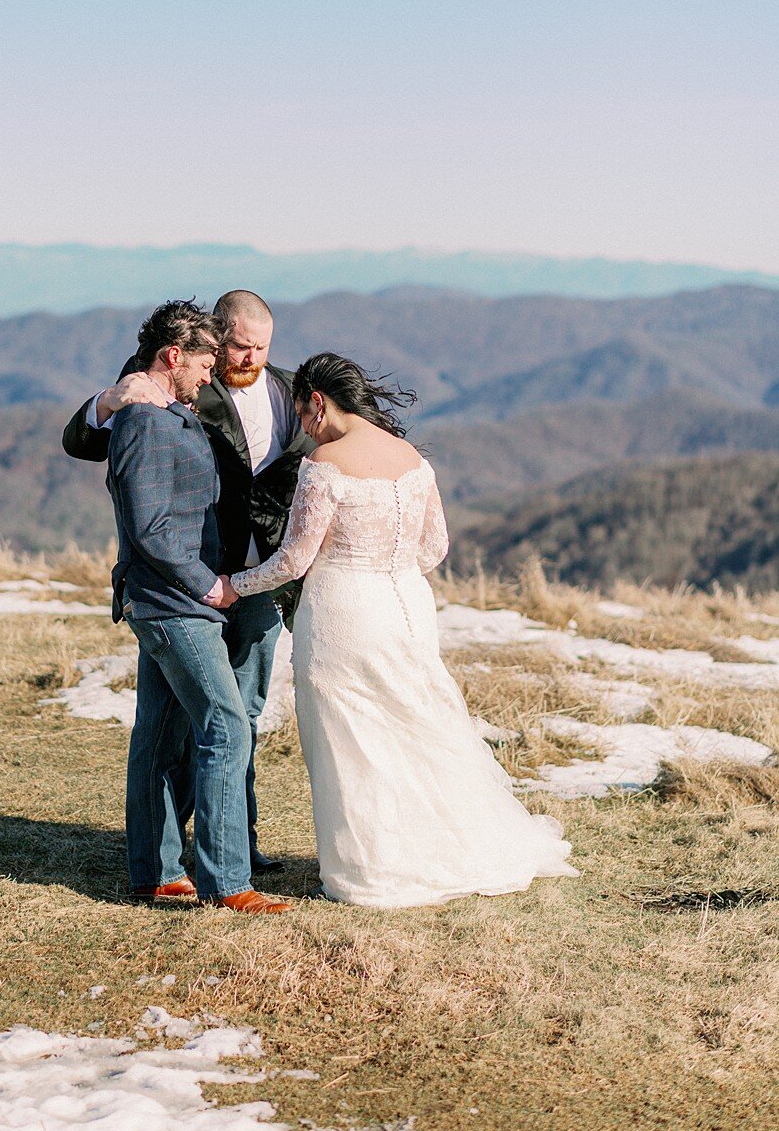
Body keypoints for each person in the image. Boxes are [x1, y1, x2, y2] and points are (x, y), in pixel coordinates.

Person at [230, 352, 578, 908]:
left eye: (301, 416)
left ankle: (369, 865)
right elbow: (434, 549)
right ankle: (447, 846)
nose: (302, 428)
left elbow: (294, 561)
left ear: (316, 402)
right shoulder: (411, 458)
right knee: (417, 723)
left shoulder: (324, 464)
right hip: (408, 608)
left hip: (344, 609)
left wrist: (234, 585)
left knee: (354, 734)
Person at [62, 290, 310, 872]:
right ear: (213, 340)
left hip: (256, 579)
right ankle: (183, 862)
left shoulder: (291, 390)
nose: (250, 357)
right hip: (187, 578)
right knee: (181, 723)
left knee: (240, 713)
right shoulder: (167, 379)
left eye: (262, 347)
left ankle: (233, 845)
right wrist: (107, 400)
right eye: (239, 346)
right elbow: (89, 442)